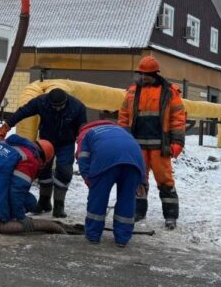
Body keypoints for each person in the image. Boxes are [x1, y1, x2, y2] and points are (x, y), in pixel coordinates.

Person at [0, 88, 87, 218]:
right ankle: (44, 203)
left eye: (60, 106)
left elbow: (83, 128)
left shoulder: (77, 107)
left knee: (64, 171)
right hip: (46, 141)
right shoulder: (41, 102)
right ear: (49, 102)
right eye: (54, 106)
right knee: (43, 170)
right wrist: (7, 126)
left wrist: (82, 146)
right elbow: (23, 112)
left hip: (66, 143)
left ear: (66, 102)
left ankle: (59, 206)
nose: (57, 109)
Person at [117, 56, 186, 230]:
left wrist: (177, 142)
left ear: (154, 74)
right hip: (137, 145)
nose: (143, 77)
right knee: (138, 179)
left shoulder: (169, 92)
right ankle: (138, 212)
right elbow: (124, 116)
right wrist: (123, 139)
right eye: (141, 74)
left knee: (165, 181)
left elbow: (178, 118)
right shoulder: (132, 92)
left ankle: (170, 216)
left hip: (159, 146)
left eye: (146, 74)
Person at [75, 120, 146, 247]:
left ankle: (93, 235)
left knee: (98, 198)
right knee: (127, 199)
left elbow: (83, 158)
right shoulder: (121, 130)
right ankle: (122, 238)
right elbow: (137, 152)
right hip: (134, 162)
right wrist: (142, 180)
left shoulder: (86, 133)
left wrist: (89, 179)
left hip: (105, 160)